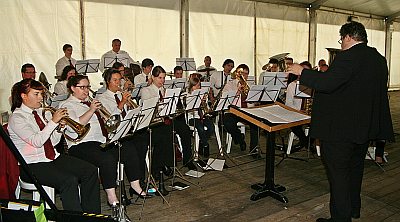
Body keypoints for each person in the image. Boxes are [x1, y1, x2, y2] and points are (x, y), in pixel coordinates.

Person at [287, 21, 394, 222]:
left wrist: (302, 71)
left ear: (347, 37)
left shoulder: (348, 57)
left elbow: (328, 83)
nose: (341, 43)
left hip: (340, 129)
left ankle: (340, 218)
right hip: (364, 127)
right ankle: (354, 208)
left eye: (341, 39)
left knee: (338, 175)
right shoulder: (378, 58)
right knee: (355, 170)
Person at [8, 79, 100, 213]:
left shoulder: (40, 112)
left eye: (41, 94)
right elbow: (37, 142)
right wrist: (53, 122)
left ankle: (91, 215)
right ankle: (75, 217)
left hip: (51, 158)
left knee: (90, 171)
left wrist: (59, 129)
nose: (41, 98)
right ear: (24, 96)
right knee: (69, 180)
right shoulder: (17, 118)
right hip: (32, 164)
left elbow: (53, 142)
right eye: (36, 94)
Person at [59, 75, 120, 212]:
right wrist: (92, 110)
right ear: (72, 88)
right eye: (82, 87)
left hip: (99, 141)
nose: (86, 91)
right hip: (80, 144)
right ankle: (112, 196)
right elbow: (77, 126)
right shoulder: (66, 106)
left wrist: (104, 118)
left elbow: (107, 121)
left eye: (88, 87)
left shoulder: (88, 101)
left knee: (123, 149)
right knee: (107, 159)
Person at [95, 69, 150, 198]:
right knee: (130, 148)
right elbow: (111, 120)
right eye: (115, 80)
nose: (118, 83)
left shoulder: (120, 94)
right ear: (108, 82)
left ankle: (138, 180)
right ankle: (135, 184)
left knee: (143, 141)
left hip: (126, 130)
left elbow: (131, 113)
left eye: (119, 80)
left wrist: (131, 107)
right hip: (114, 134)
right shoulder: (102, 98)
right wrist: (122, 103)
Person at [223, 64, 259, 153]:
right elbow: (225, 100)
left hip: (248, 111)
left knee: (256, 124)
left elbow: (254, 102)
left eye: (246, 74)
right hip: (233, 111)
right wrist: (237, 92)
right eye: (242, 73)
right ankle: (240, 138)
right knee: (227, 123)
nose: (244, 76)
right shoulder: (230, 84)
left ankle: (254, 149)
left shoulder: (251, 86)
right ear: (237, 74)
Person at [285, 61, 313, 152]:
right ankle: (306, 143)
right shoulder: (292, 85)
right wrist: (299, 111)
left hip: (309, 114)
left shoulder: (313, 85)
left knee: (318, 125)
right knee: (294, 125)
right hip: (296, 113)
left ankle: (304, 143)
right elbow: (288, 104)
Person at [186, 76, 215, 158]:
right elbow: (189, 109)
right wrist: (198, 102)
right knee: (200, 128)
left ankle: (202, 142)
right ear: (191, 87)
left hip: (202, 116)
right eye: (196, 86)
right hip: (192, 117)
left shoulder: (202, 94)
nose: (198, 87)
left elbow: (207, 109)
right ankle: (206, 145)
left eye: (199, 85)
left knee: (211, 127)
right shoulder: (188, 96)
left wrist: (204, 103)